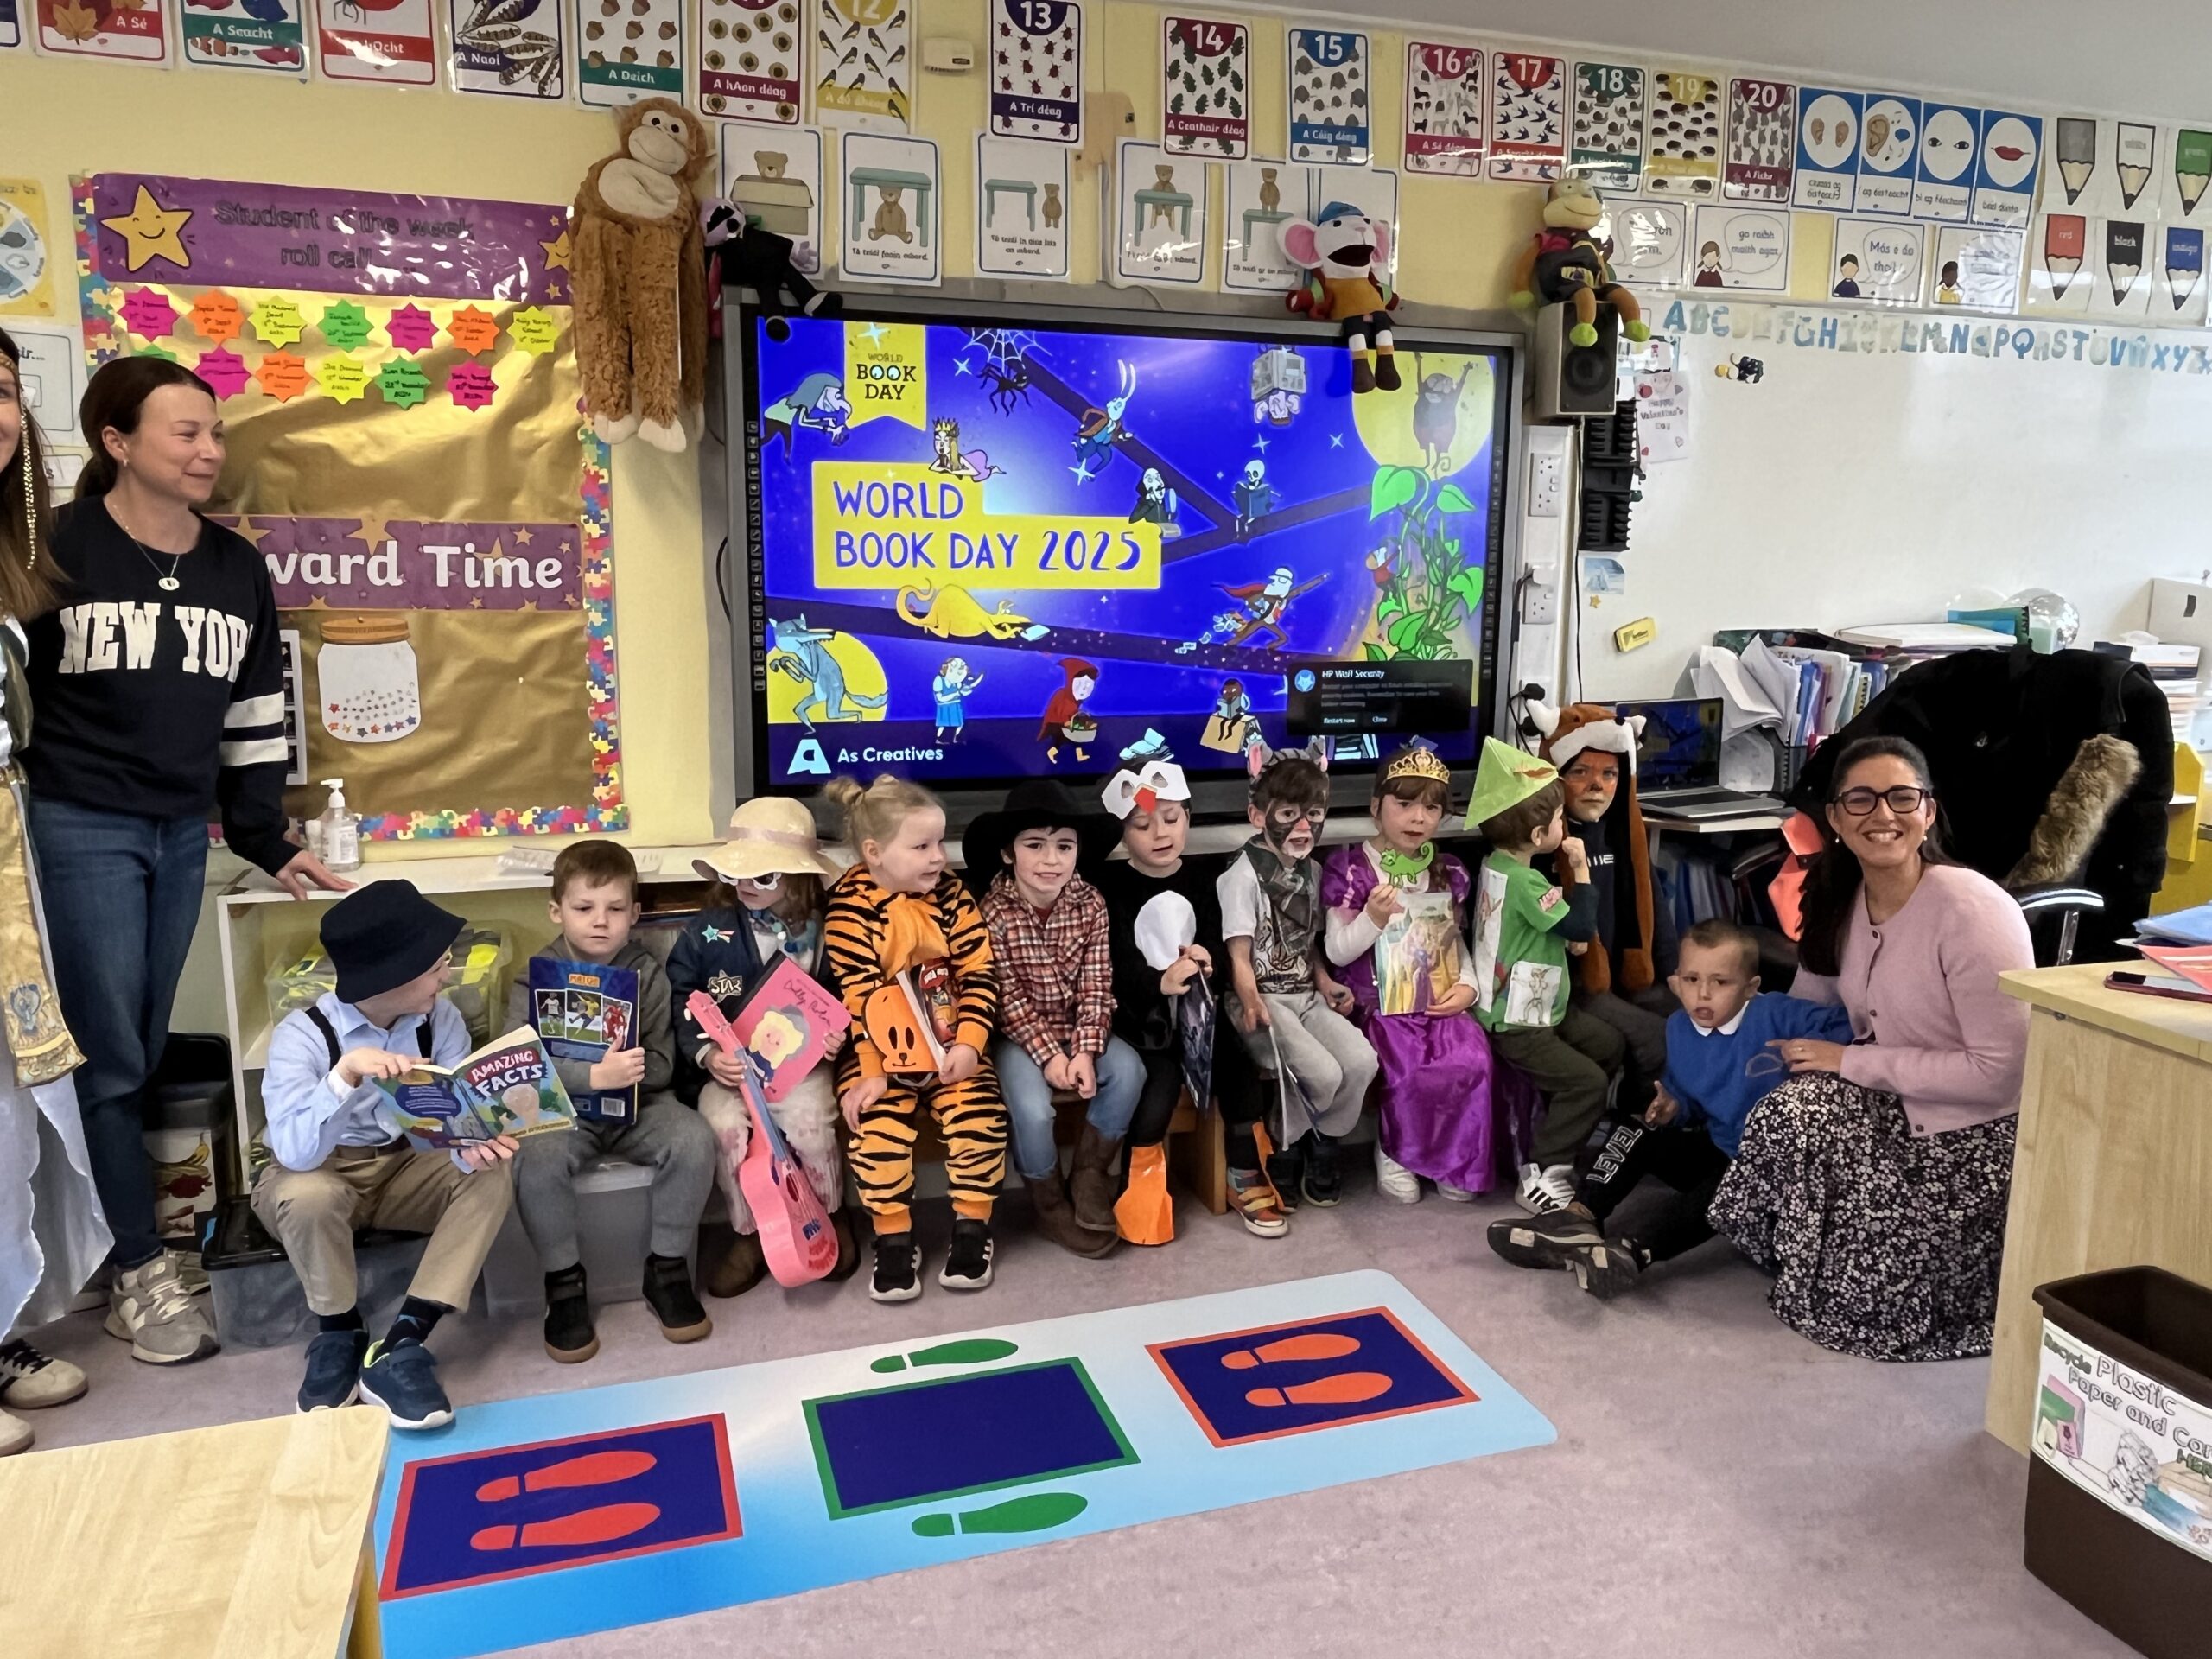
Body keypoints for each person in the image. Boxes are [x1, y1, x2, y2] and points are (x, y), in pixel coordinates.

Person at [24, 358, 350, 1367]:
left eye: (215, 433)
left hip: (177, 831)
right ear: (117, 443)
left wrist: (264, 835)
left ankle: (123, 1250)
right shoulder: (54, 544)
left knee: (141, 1042)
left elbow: (254, 716)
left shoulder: (233, 567)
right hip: (76, 822)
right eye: (186, 433)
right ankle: (137, 1272)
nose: (210, 451)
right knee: (109, 1055)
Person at [1709, 737, 2033, 1361]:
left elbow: (1999, 1073)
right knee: (1749, 1102)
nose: (1882, 814)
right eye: (1861, 799)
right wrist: (1716, 1060)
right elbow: (1805, 1013)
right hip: (1885, 1097)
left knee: (1794, 1116)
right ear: (1835, 817)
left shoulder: (1971, 909)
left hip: (1970, 1133)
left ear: (1928, 811)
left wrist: (1850, 1062)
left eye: (1901, 797)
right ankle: (1627, 1240)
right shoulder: (1839, 898)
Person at [252, 882, 518, 1428]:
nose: (447, 976)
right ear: (392, 975)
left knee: (491, 1173)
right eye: (436, 966)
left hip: (405, 1164)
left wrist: (472, 1144)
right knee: (307, 1195)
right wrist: (345, 1076)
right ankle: (339, 1330)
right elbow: (296, 1155)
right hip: (323, 1169)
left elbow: (446, 1126)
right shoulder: (302, 1036)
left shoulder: (440, 1019)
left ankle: (401, 1342)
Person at [1487, 918, 1853, 1298]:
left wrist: (1815, 1049)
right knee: (1636, 1126)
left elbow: (1850, 1025)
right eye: (1692, 980)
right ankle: (1579, 1217)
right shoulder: (1679, 1027)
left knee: (1726, 1184)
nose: (1703, 994)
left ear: (1750, 988)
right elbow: (1691, 1099)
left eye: (1720, 982)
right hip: (1719, 1149)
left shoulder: (1777, 1014)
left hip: (1767, 1177)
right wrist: (1674, 1106)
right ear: (1677, 981)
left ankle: (1633, 1251)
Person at [0, 328, 105, 1456]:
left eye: (3, 389)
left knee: (9, 1101)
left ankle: (0, 1330)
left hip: (5, 846)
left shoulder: (11, 564)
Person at [509, 841, 715, 1363]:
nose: (600, 921)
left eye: (616, 908)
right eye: (584, 908)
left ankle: (667, 1269)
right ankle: (563, 1283)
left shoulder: (647, 973)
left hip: (641, 1106)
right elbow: (517, 1070)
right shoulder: (533, 976)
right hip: (566, 1113)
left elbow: (666, 1064)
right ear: (556, 911)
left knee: (694, 1139)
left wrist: (631, 1071)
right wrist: (591, 1076)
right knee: (536, 1156)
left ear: (635, 914)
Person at [822, 774, 1008, 1301]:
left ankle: (972, 1226)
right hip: (878, 1054)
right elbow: (858, 998)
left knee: (979, 1118)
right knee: (874, 1128)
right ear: (874, 852)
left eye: (940, 843)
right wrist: (872, 1073)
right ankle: (893, 1237)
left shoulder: (951, 893)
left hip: (952, 1043)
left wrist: (970, 1043)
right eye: (922, 846)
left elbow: (979, 971)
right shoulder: (848, 906)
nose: (939, 857)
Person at [1321, 741, 1526, 1203]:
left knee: (1471, 1055)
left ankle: (1456, 1160)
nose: (1418, 818)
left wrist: (1469, 988)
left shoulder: (1446, 871)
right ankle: (1397, 1152)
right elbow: (1336, 952)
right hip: (1376, 1000)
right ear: (1376, 807)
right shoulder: (1353, 868)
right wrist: (1372, 919)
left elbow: (1457, 943)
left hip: (1436, 995)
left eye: (1431, 808)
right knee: (1407, 1063)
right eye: (1405, 804)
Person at [668, 796, 857, 1295]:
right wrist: (707, 1055)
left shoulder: (832, 928)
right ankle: (749, 1231)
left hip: (802, 1066)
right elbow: (683, 997)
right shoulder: (706, 931)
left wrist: (839, 1034)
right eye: (737, 874)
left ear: (797, 876)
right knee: (725, 1130)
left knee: (812, 1123)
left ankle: (830, 1213)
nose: (747, 885)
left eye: (764, 875)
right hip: (727, 1068)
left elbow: (849, 995)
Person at [1092, 760, 1281, 1238]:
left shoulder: (1207, 876)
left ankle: (1245, 1169)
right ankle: (1140, 1186)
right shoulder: (1110, 888)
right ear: (1123, 834)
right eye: (1142, 825)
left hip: (1202, 1021)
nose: (1161, 833)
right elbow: (1113, 962)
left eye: (1171, 819)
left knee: (1239, 1069)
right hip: (1143, 1027)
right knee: (1156, 1090)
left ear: (1189, 819)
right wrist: (1158, 982)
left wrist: (1207, 960)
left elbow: (1222, 939)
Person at [969, 780, 1139, 1258]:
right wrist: (1049, 1058)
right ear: (1008, 854)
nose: (1052, 860)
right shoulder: (992, 913)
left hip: (1078, 1028)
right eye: (1035, 846)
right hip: (1018, 1037)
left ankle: (1089, 1173)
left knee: (1129, 1071)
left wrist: (1084, 1051)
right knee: (1032, 1108)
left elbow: (1097, 985)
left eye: (1064, 846)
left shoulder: (1090, 904)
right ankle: (1047, 1202)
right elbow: (1006, 999)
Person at [1466, 737, 1624, 1214]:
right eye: (1558, 819)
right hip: (1519, 1018)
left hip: (1538, 1003)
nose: (1563, 825)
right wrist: (1580, 867)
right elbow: (1579, 925)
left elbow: (1544, 927)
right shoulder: (1526, 881)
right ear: (1539, 836)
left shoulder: (1497, 864)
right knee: (1587, 1082)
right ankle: (1543, 1169)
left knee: (1609, 1044)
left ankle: (1573, 1129)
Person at [1218, 743, 1376, 1208]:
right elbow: (1239, 956)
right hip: (1262, 1000)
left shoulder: (1313, 871)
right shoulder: (1241, 876)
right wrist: (1252, 1002)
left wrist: (1325, 982)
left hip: (1305, 995)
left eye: (1314, 814)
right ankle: (1282, 1142)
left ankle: (1315, 1134)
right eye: (1289, 814)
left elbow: (1307, 944)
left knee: (1362, 1062)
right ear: (1257, 815)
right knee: (1324, 1075)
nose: (1304, 827)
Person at [1535, 702, 1673, 1111]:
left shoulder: (1624, 837)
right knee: (1655, 1037)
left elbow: (1655, 911)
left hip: (1625, 974)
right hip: (1575, 987)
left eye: (1609, 774)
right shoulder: (1542, 846)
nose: (1597, 785)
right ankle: (1632, 1119)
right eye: (1580, 772)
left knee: (1692, 1018)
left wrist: (1678, 975)